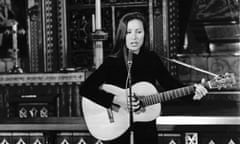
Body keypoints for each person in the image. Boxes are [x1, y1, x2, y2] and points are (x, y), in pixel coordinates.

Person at [79, 12, 208, 144]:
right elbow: (85, 89)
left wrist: (193, 94)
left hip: (146, 132)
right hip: (118, 131)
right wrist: (117, 100)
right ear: (122, 35)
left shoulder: (151, 59)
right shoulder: (112, 62)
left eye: (139, 32)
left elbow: (171, 85)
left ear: (145, 33)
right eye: (129, 32)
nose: (134, 37)